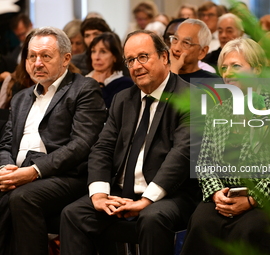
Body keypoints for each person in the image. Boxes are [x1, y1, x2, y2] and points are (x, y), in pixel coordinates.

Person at [60, 30, 200, 255]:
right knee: (74, 214)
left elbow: (182, 155)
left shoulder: (190, 97)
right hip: (120, 190)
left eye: (143, 57)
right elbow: (102, 148)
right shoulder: (123, 99)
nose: (136, 66)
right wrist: (99, 194)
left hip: (170, 194)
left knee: (152, 218)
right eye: (131, 60)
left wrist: (146, 200)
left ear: (165, 57)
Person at [180, 37, 270, 255]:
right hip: (227, 194)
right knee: (201, 222)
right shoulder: (218, 111)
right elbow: (205, 162)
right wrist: (215, 193)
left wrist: (253, 199)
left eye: (236, 66)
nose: (228, 73)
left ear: (257, 70)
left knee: (252, 229)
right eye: (224, 68)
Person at [0, 26, 107, 255]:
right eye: (32, 56)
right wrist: (5, 170)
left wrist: (35, 171)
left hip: (65, 175)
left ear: (66, 58)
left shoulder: (83, 89)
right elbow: (6, 144)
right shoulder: (20, 98)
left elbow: (82, 144)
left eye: (45, 56)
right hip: (19, 171)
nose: (37, 63)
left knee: (21, 198)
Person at [86, 32, 133, 108]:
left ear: (115, 57)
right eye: (93, 51)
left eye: (103, 52)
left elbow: (108, 110)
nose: (96, 57)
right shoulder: (82, 80)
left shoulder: (125, 84)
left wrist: (100, 85)